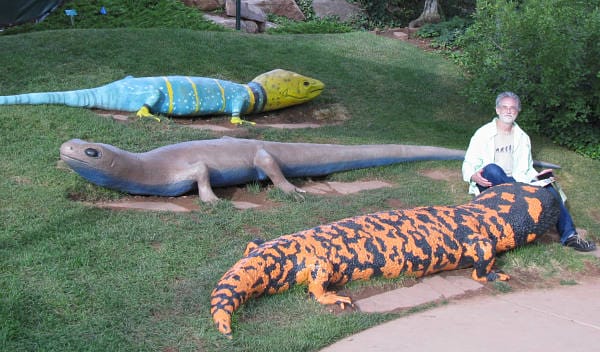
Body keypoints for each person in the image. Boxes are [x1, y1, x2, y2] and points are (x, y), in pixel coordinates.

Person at [462, 91, 596, 252]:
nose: (508, 111)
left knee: (550, 188)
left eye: (512, 108)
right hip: (491, 183)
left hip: (516, 182)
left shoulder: (522, 137)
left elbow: (526, 168)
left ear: (518, 111)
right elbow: (469, 163)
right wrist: (472, 175)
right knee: (492, 169)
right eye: (504, 107)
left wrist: (539, 178)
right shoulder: (483, 134)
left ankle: (569, 236)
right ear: (497, 110)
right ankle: (526, 201)